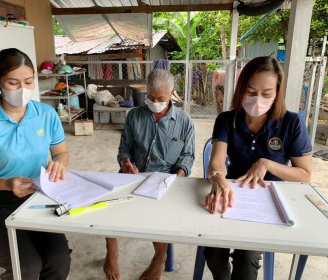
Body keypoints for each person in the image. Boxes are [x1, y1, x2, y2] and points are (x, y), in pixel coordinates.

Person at [0, 48, 71, 280]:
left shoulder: (46, 114)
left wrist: (59, 163)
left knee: (58, 261)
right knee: (27, 266)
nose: (22, 89)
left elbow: (61, 152)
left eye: (29, 81)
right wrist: (7, 182)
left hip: (37, 196)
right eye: (13, 82)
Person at [204, 56, 312, 280]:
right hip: (232, 193)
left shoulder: (291, 123)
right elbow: (216, 161)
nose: (257, 100)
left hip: (270, 201)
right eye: (251, 92)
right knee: (213, 251)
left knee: (247, 258)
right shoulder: (227, 120)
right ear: (241, 89)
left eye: (267, 94)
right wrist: (217, 178)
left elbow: (304, 175)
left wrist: (267, 163)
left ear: (277, 93)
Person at [103, 69, 195, 280]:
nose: (155, 102)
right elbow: (124, 149)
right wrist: (125, 163)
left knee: (161, 215)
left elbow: (188, 157)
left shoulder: (184, 121)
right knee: (107, 205)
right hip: (133, 175)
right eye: (150, 97)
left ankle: (159, 258)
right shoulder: (134, 116)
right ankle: (112, 250)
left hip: (166, 179)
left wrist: (176, 178)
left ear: (172, 93)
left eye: (160, 98)